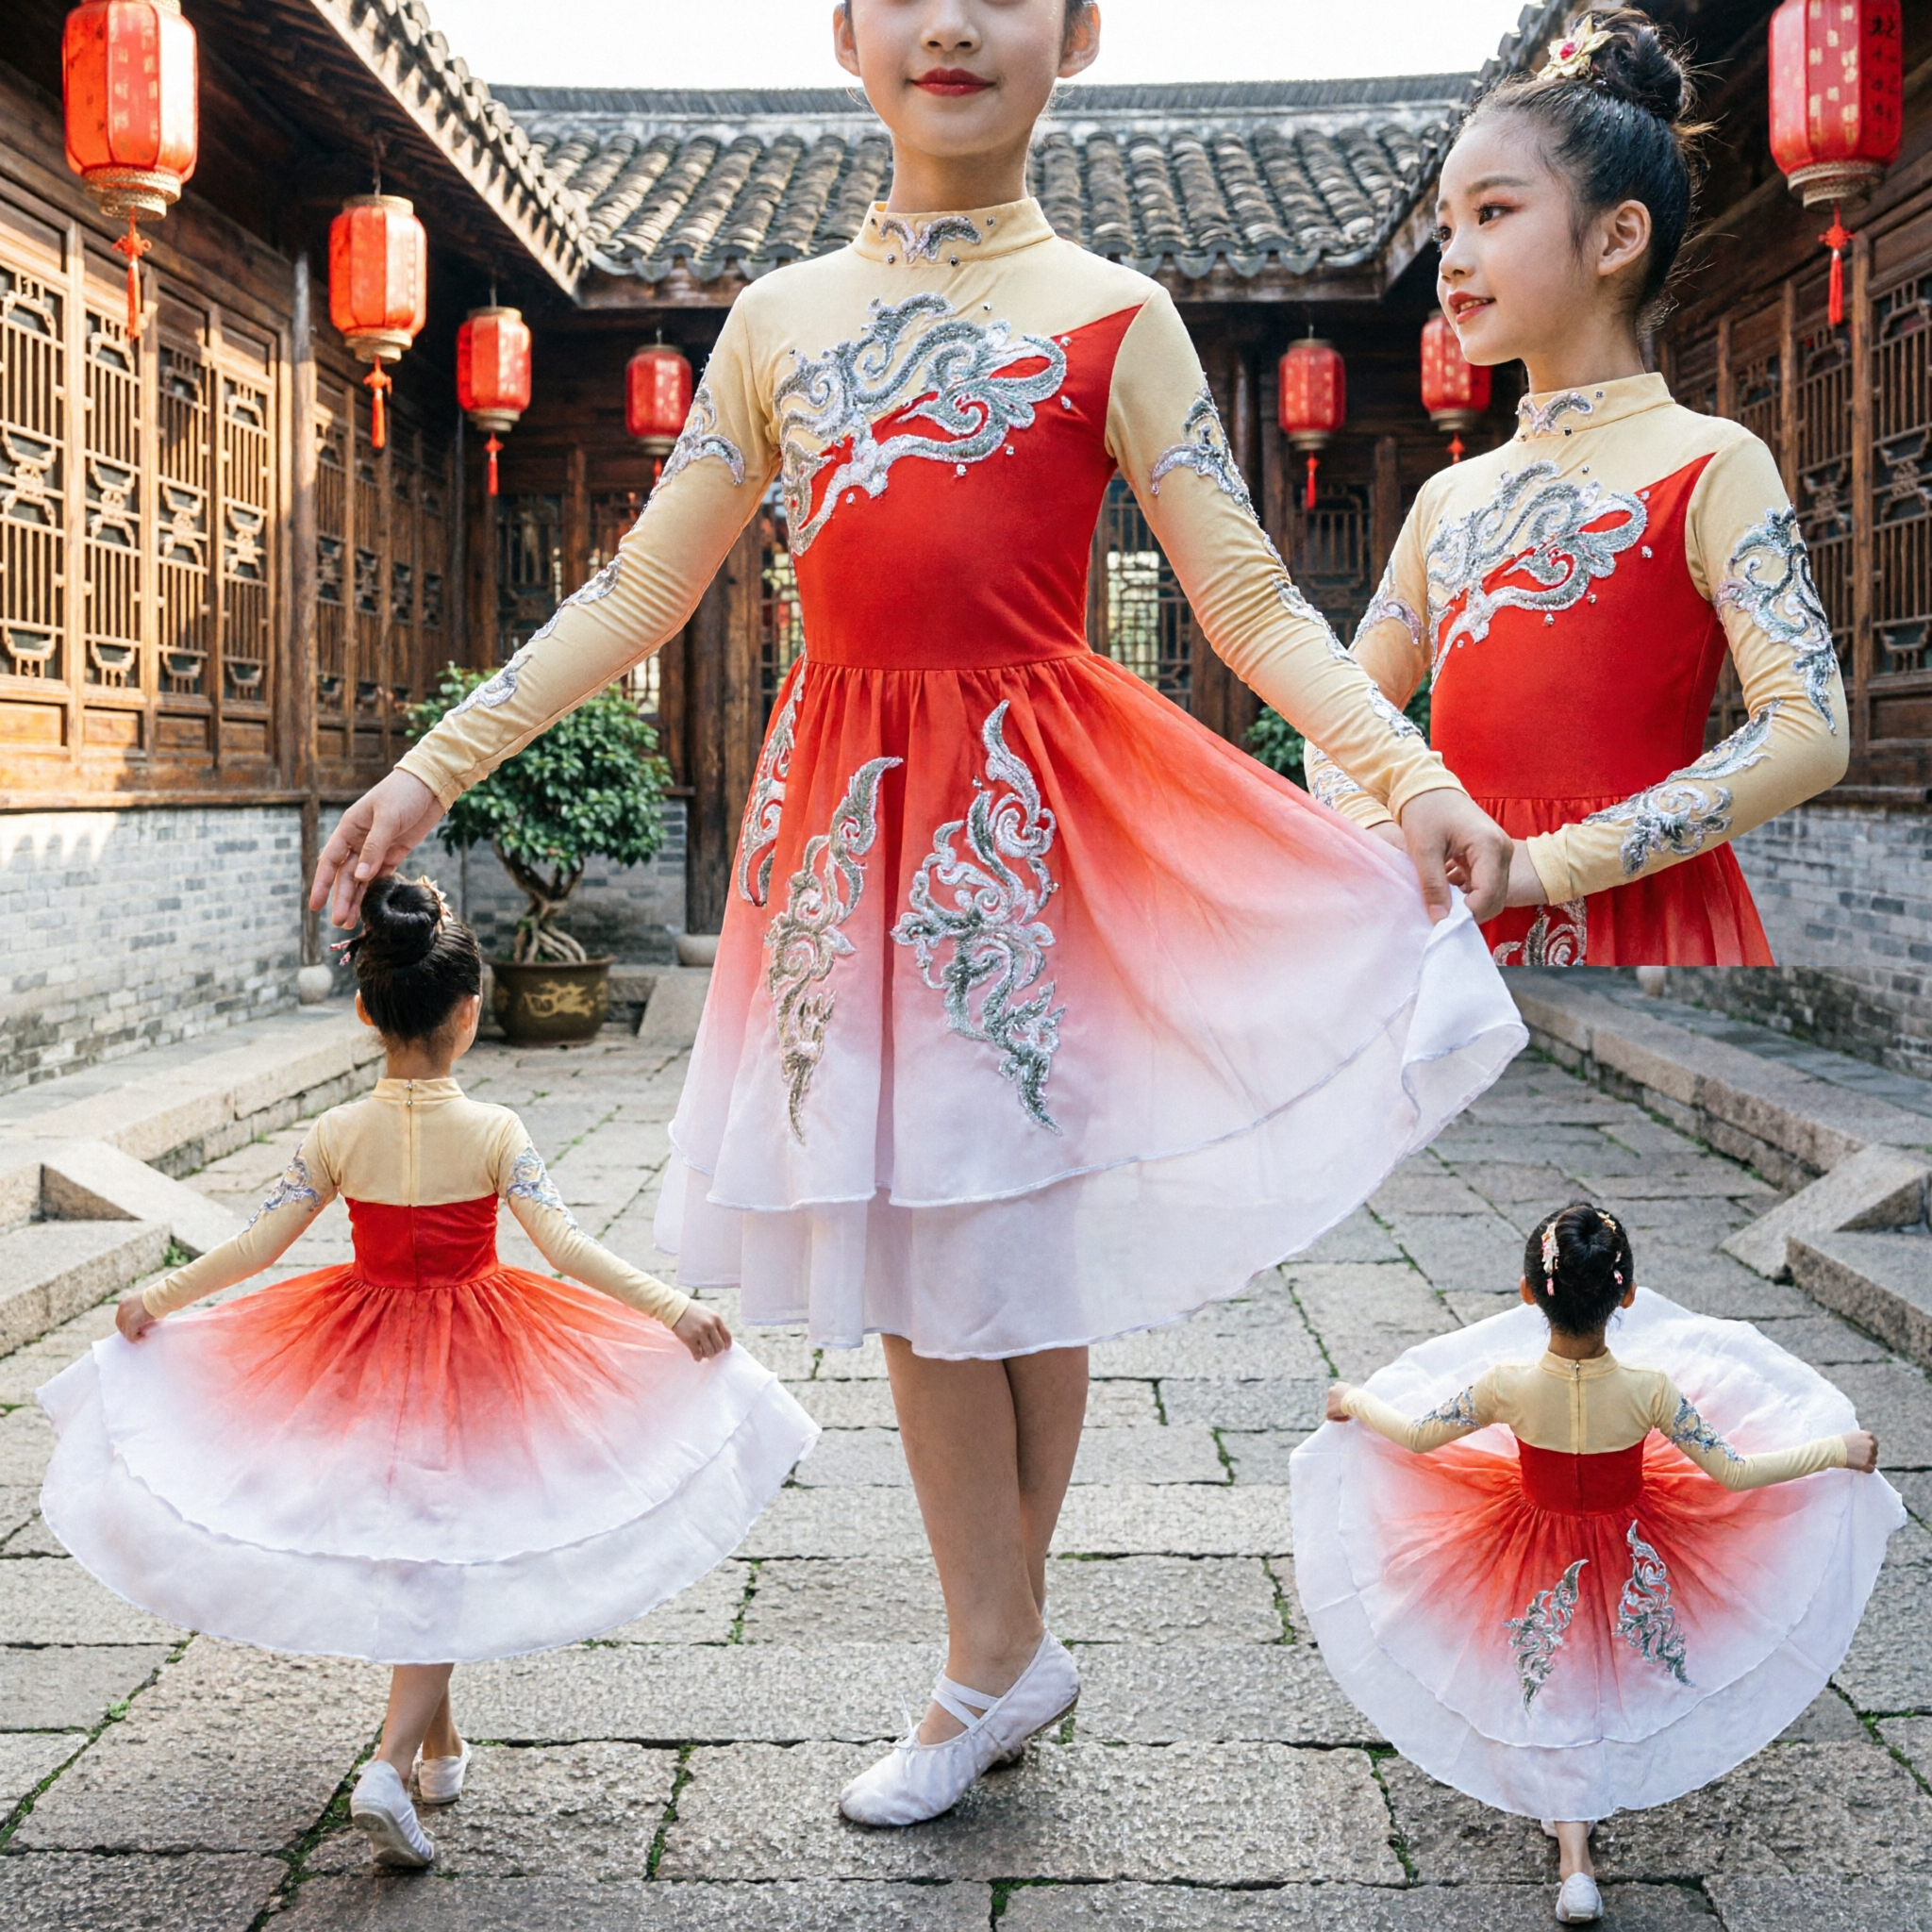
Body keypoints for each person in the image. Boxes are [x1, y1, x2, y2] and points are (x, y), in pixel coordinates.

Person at [310, 0, 1528, 1826]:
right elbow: (643, 594)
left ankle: (986, 1659)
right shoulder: (778, 320)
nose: (951, 22)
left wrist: (1410, 777)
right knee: (929, 1244)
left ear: (1079, 35)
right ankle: (1000, 1650)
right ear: (846, 34)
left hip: (1035, 831)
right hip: (847, 826)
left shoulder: (1118, 317)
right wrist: (436, 766)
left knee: (1000, 1255)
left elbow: (1252, 603)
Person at [36, 878, 817, 1871]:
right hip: (477, 1347)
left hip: (353, 1344)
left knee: (421, 1537)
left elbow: (254, 1242)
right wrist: (673, 1308)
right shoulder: (494, 1130)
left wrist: (164, 1296)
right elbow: (566, 1246)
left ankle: (440, 1751)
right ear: (470, 1011)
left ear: (365, 1009)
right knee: (439, 1545)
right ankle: (388, 1760)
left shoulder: (337, 1133)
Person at [1304, 8, 1850, 966]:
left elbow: (1807, 728)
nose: (1452, 258)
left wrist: (1541, 868)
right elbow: (1340, 710)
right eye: (1444, 227)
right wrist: (1386, 831)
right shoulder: (1447, 499)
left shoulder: (1711, 462)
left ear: (1615, 236)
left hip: (1636, 919)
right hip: (1445, 920)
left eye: (1492, 212)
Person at [1293, 1201, 1902, 1925]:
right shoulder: (1651, 1390)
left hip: (1527, 1545)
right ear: (1627, 1296)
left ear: (1529, 1295)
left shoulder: (1505, 1386)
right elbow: (1735, 1473)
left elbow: (1420, 1436)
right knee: (1609, 1674)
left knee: (1554, 1682)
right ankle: (1579, 1841)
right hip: (1637, 1545)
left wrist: (1353, 1400)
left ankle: (1574, 1857)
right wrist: (1836, 1451)